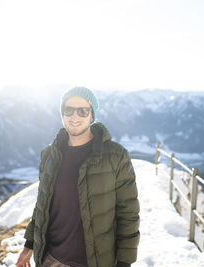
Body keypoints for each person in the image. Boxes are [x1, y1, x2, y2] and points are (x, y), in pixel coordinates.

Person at [16, 87, 140, 267]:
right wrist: (29, 244)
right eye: (68, 110)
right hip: (50, 259)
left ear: (92, 115)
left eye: (82, 111)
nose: (74, 117)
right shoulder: (50, 155)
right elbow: (42, 206)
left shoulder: (116, 156)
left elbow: (128, 214)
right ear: (62, 114)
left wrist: (124, 263)